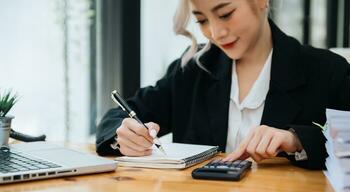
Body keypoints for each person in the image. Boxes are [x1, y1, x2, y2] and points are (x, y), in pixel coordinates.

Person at [95, 0, 350, 170]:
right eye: (202, 20)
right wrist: (125, 135)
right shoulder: (192, 70)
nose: (215, 33)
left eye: (225, 14)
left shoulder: (327, 71)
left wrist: (296, 140)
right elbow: (117, 117)